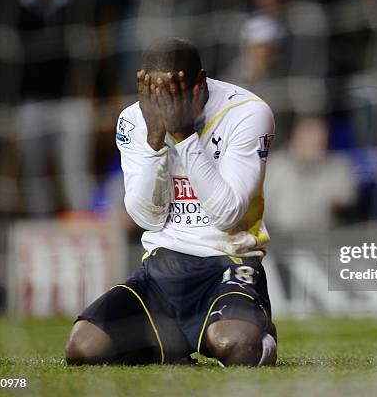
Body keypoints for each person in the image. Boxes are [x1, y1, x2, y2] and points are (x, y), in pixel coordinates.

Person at [65, 37, 277, 367]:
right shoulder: (134, 120)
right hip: (162, 269)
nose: (165, 103)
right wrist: (154, 144)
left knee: (235, 344)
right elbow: (146, 218)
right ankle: (172, 345)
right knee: (83, 348)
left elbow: (228, 214)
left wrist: (184, 136)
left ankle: (259, 340)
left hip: (230, 263)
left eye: (175, 91)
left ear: (200, 82)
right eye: (156, 91)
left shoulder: (247, 112)